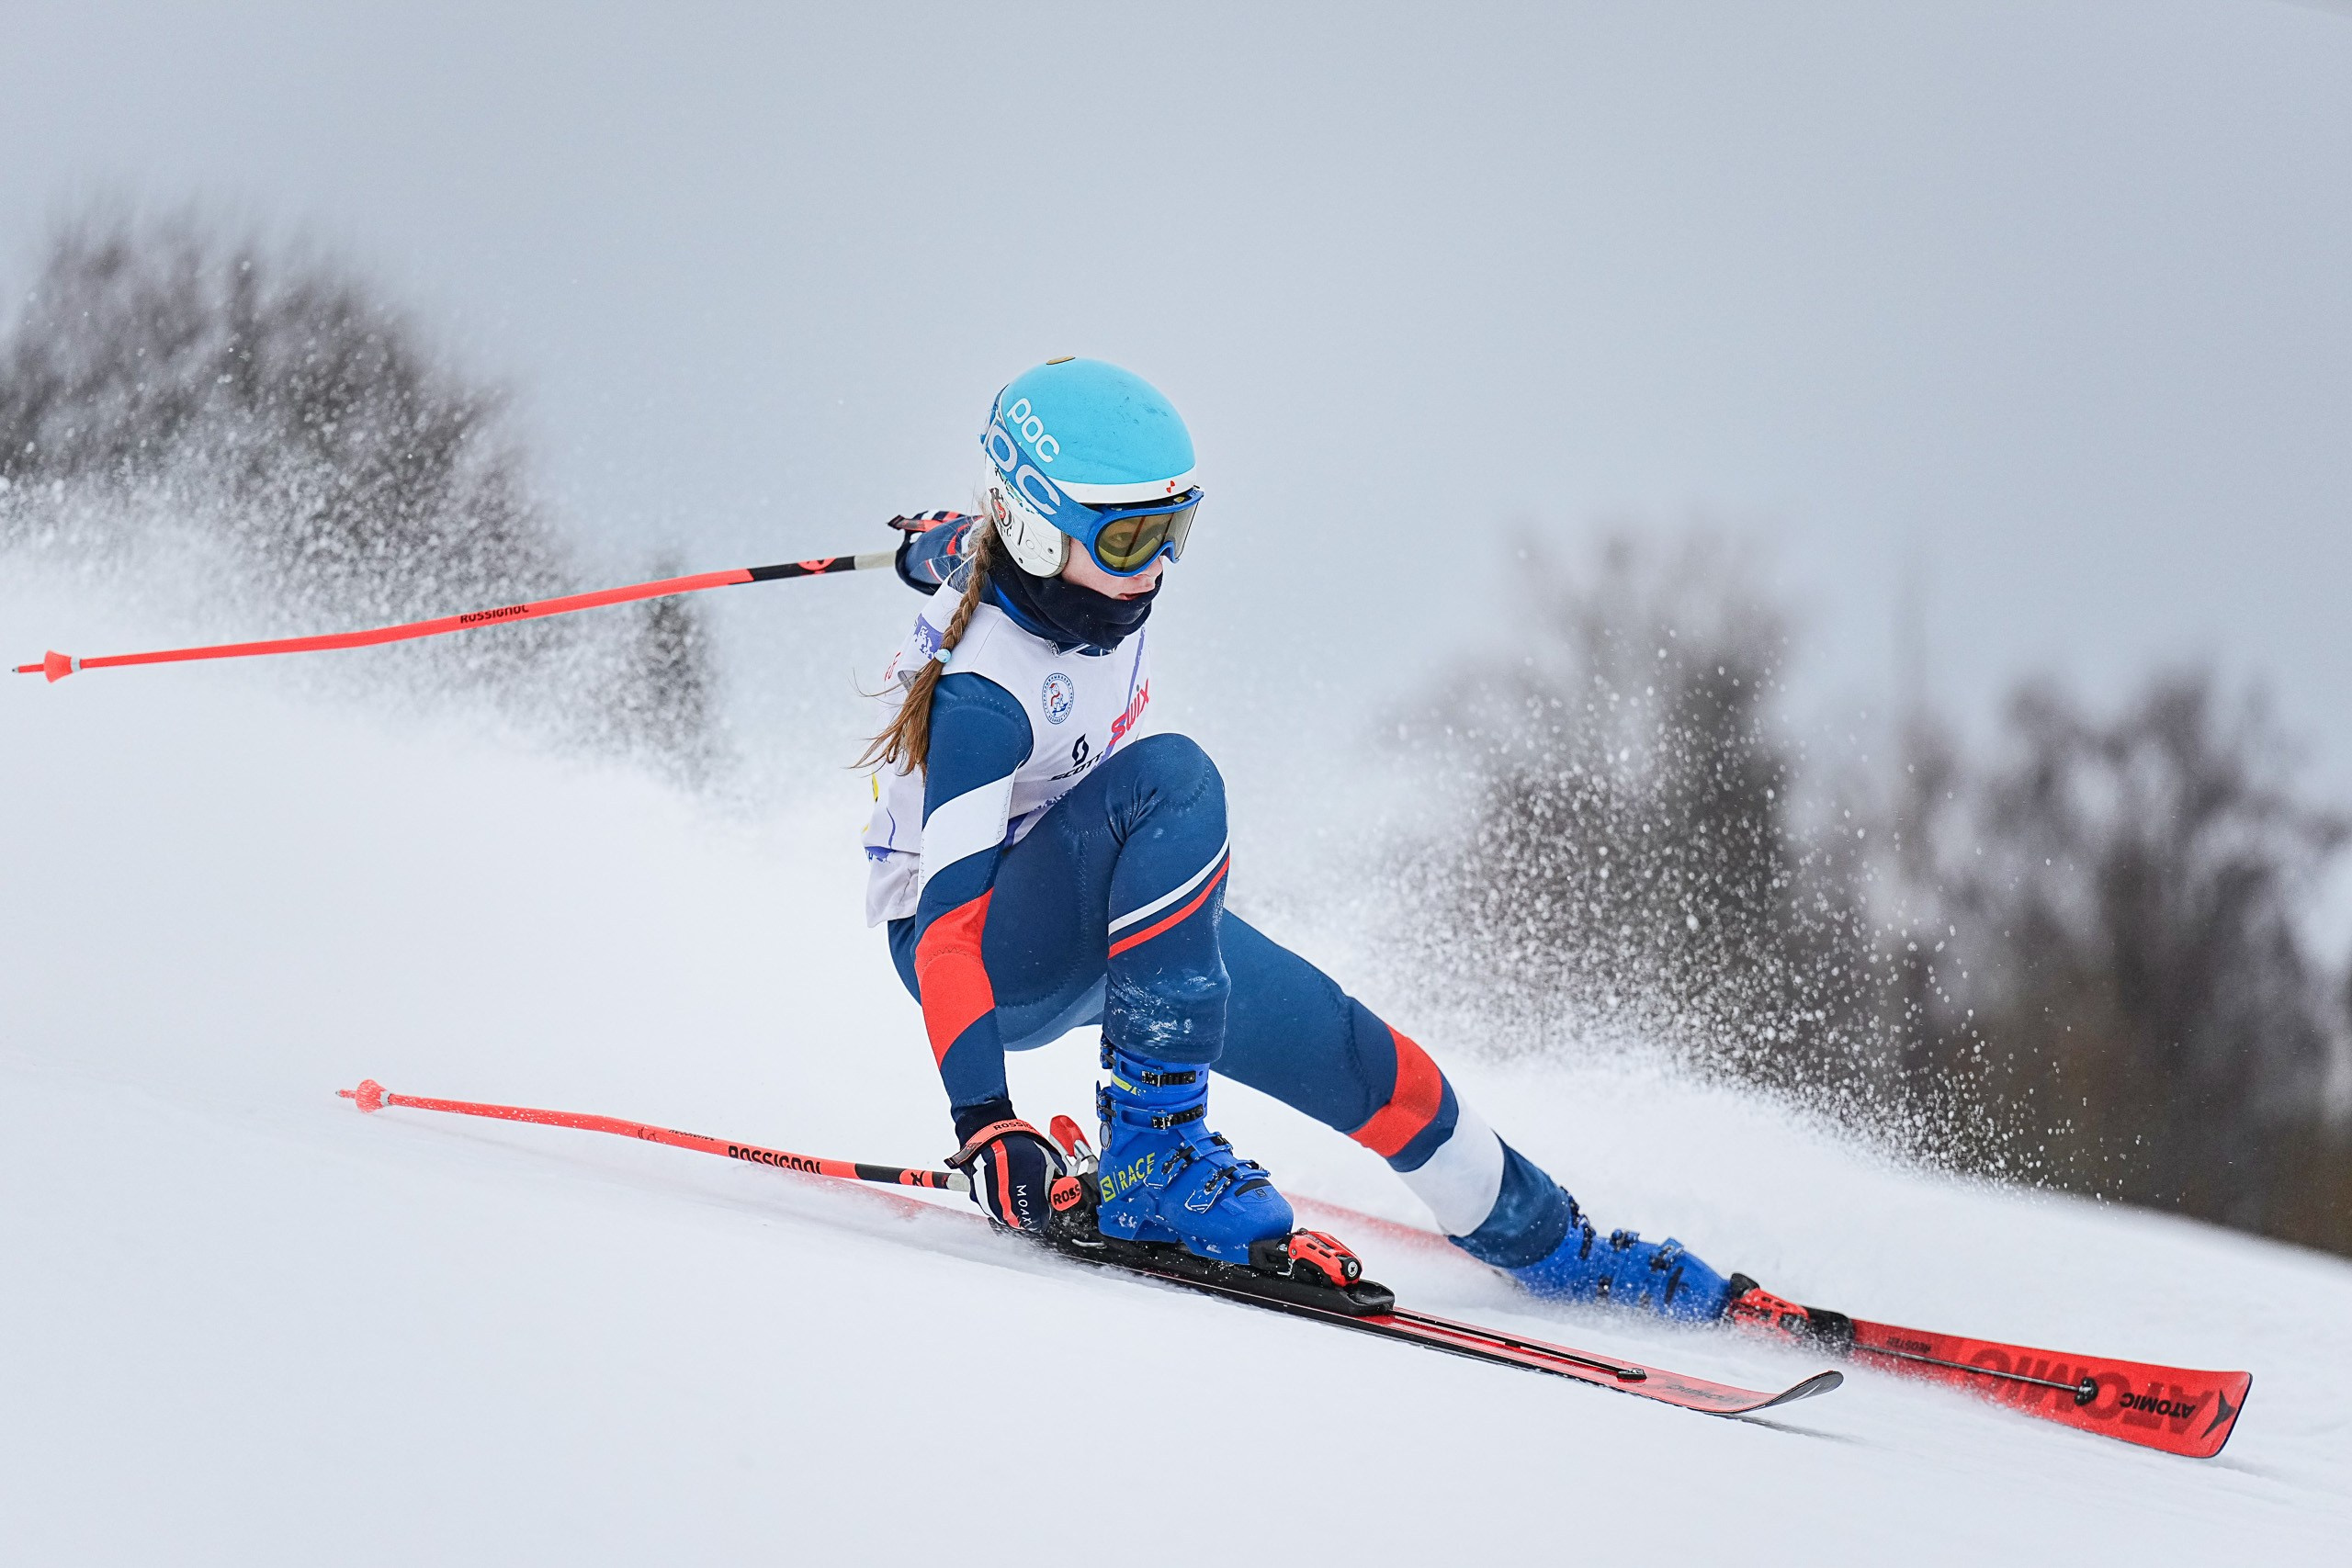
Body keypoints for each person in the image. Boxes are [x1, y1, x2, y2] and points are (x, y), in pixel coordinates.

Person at [859, 356, 1758, 1321]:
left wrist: (945, 545)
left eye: (1174, 530)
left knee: (1359, 1056)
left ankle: (1551, 1245)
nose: (1156, 566)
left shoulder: (1038, 569)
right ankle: (1152, 1151)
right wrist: (988, 1124)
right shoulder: (982, 699)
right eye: (1129, 539)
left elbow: (979, 553)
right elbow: (947, 934)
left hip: (1098, 909)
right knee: (1175, 779)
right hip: (995, 958)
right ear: (1038, 526)